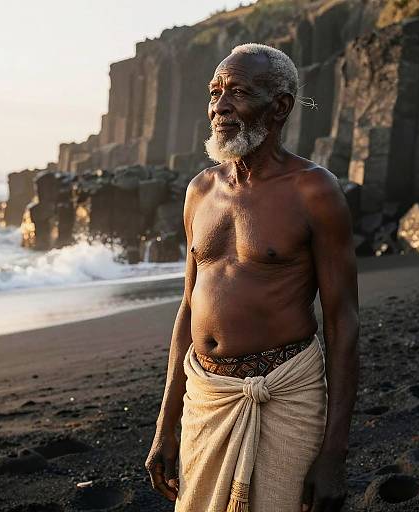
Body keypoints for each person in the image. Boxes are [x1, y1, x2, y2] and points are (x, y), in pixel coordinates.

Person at [145, 43, 359, 512]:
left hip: (284, 394)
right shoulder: (200, 190)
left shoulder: (314, 191)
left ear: (279, 106)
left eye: (238, 92)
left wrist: (334, 454)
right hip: (207, 396)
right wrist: (167, 423)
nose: (219, 106)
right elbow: (188, 306)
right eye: (215, 92)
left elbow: (343, 322)